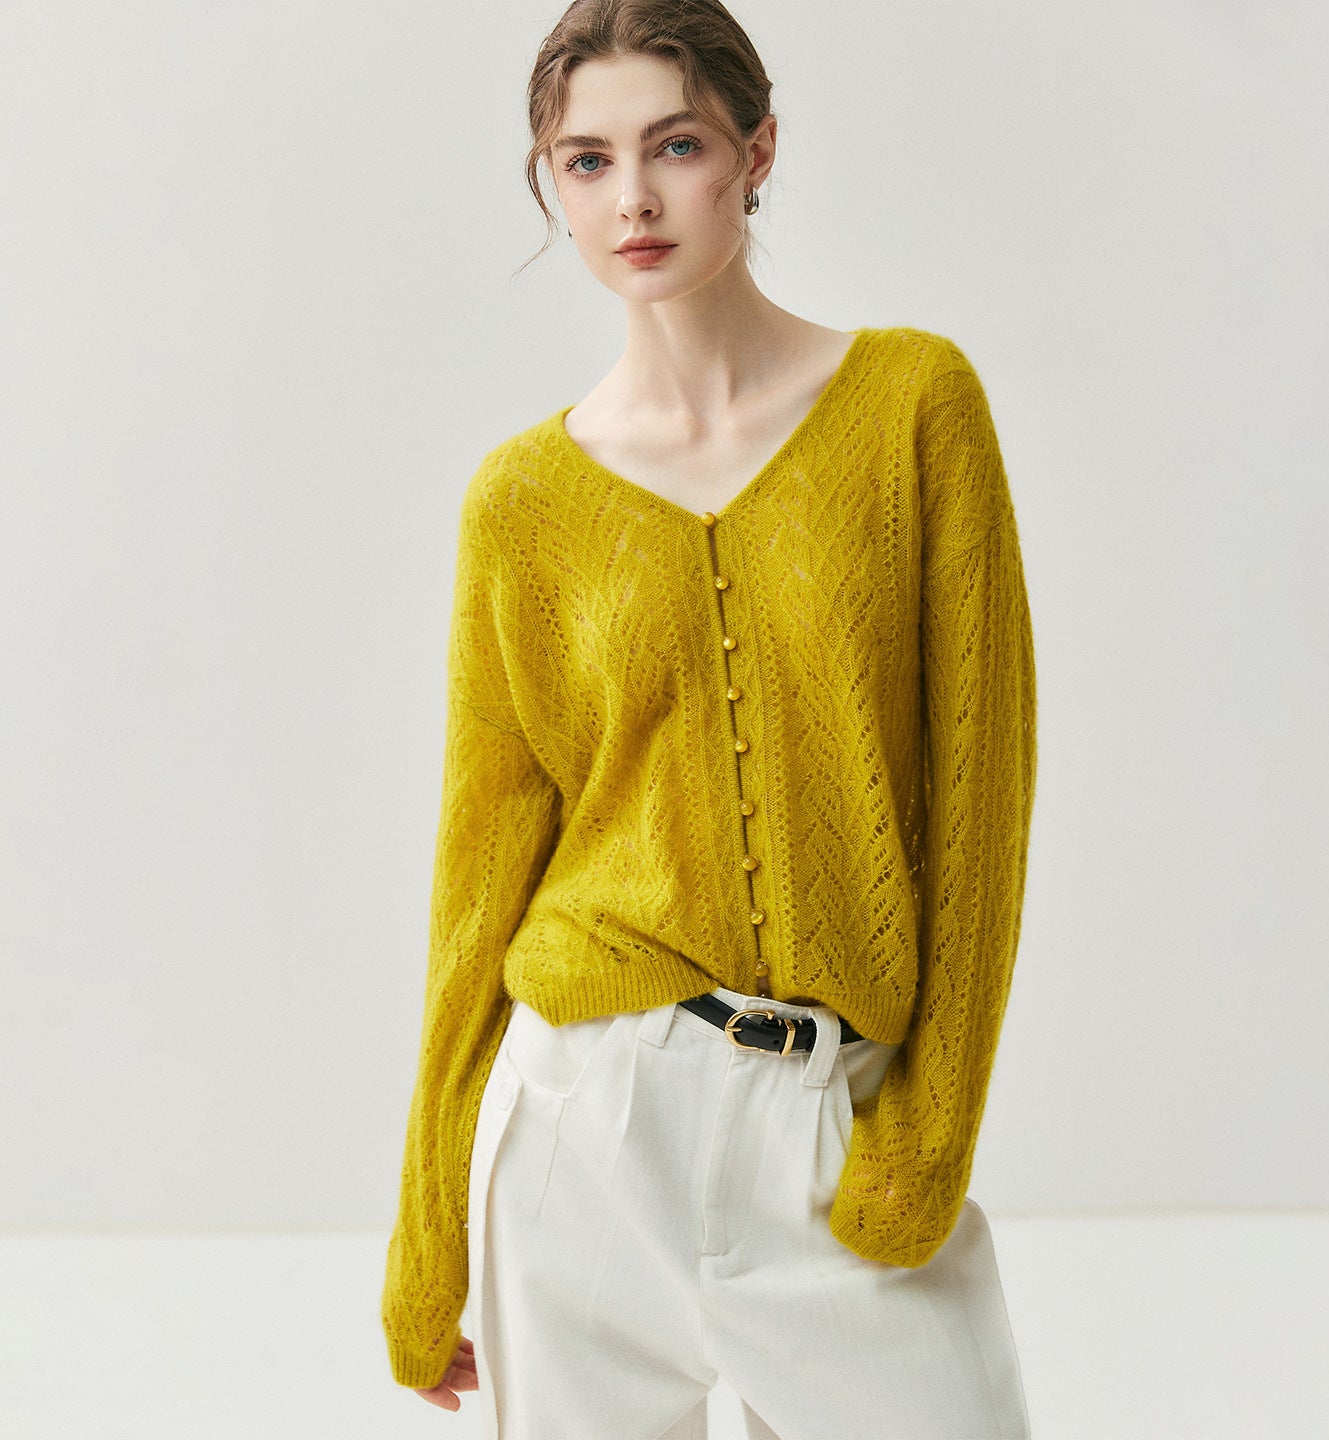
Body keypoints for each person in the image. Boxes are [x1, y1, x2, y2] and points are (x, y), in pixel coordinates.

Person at [379, 2, 1039, 1436]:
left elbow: (981, 795)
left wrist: (930, 1134)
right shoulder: (521, 503)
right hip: (584, 1124)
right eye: (587, 160)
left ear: (756, 151)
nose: (633, 198)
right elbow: (481, 868)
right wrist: (428, 1224)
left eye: (674, 145)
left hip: (834, 1119)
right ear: (552, 186)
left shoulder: (913, 406)